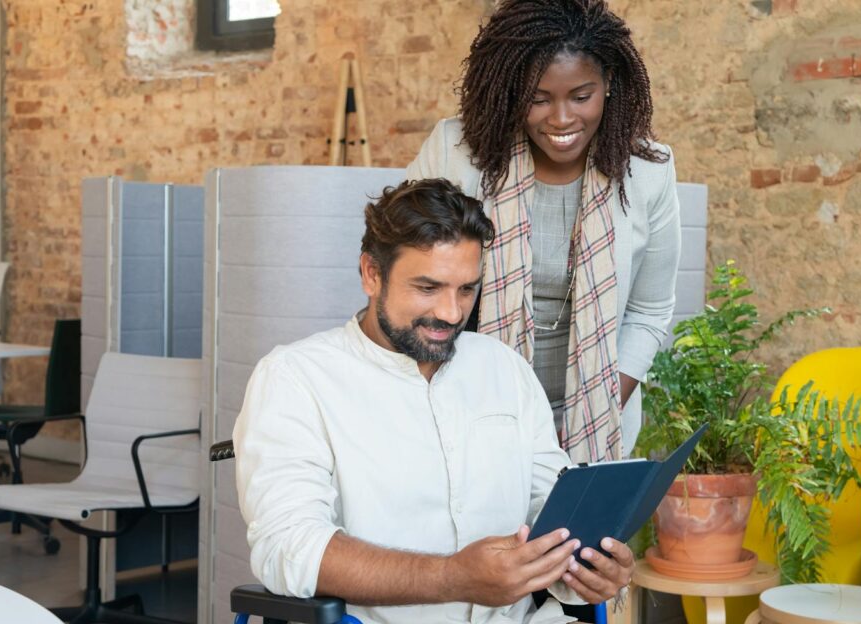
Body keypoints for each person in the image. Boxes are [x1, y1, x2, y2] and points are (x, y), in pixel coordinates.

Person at [232, 179, 634, 624]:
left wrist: (588, 568)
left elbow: (550, 510)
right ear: (371, 273)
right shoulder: (296, 378)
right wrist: (452, 576)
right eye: (428, 288)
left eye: (466, 289)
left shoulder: (505, 368)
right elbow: (289, 547)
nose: (451, 313)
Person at [406, 0, 681, 466]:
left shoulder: (648, 173)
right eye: (538, 98)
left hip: (592, 421)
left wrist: (587, 410)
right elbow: (405, 281)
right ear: (513, 90)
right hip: (465, 414)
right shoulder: (456, 156)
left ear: (609, 83)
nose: (560, 119)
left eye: (580, 96)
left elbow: (650, 311)